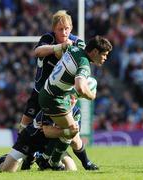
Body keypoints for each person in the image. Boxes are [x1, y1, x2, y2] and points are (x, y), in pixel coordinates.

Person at [18, 10, 99, 170]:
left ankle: (84, 161)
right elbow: (37, 52)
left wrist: (76, 92)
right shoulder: (48, 39)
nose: (64, 32)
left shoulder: (77, 43)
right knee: (24, 126)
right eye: (60, 29)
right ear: (54, 29)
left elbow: (83, 61)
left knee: (72, 130)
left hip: (62, 96)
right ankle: (27, 157)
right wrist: (59, 47)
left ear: (71, 28)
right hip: (40, 91)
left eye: (67, 28)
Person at [36, 35, 112, 170]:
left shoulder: (77, 48)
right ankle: (49, 160)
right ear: (94, 52)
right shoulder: (84, 64)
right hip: (53, 99)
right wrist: (91, 96)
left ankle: (49, 158)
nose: (105, 58)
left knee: (74, 125)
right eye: (104, 55)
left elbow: (69, 44)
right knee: (72, 130)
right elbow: (80, 87)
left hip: (53, 93)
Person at [0, 106, 81, 172]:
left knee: (71, 169)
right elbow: (47, 132)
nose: (72, 100)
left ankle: (41, 159)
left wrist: (71, 133)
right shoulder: (53, 106)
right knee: (7, 171)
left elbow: (74, 138)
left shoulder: (76, 112)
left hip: (51, 143)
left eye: (75, 98)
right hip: (31, 139)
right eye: (70, 97)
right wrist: (68, 131)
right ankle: (2, 160)